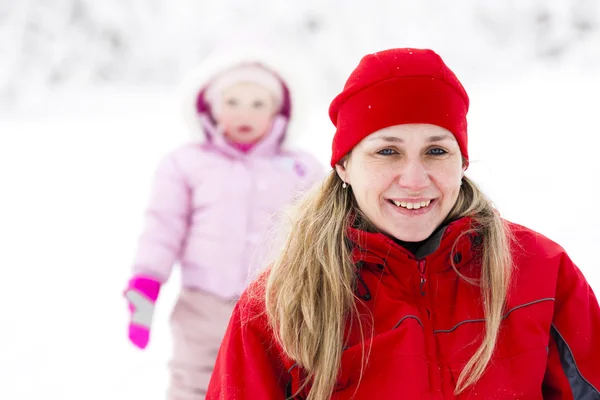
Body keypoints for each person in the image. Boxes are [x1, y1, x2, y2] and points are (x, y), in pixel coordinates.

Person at [205, 48, 600, 399]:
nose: (414, 179)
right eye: (388, 151)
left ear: (461, 163)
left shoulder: (541, 271)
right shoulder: (281, 303)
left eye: (436, 151)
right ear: (344, 165)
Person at [123, 51, 325, 399]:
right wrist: (146, 284)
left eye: (258, 103)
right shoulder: (186, 164)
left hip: (276, 302)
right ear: (211, 107)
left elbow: (320, 231)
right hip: (203, 302)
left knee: (273, 380)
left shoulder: (301, 168)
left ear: (280, 112)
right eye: (232, 101)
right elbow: (163, 225)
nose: (244, 112)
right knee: (195, 380)